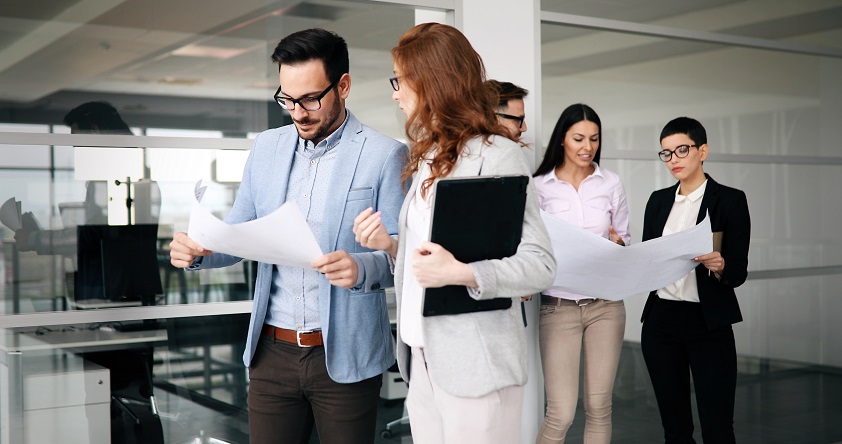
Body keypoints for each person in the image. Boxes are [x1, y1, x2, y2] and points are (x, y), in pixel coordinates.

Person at [168, 28, 407, 444]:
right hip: (271, 355)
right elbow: (240, 234)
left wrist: (360, 266)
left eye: (310, 99)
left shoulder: (383, 154)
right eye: (287, 99)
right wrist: (202, 249)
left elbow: (401, 256)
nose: (298, 112)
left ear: (343, 85)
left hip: (345, 355)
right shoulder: (267, 147)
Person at [353, 23, 556, 443]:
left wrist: (463, 273)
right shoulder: (427, 155)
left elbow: (540, 265)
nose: (395, 93)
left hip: (477, 366)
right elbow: (432, 257)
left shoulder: (498, 156)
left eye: (400, 80)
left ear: (432, 81)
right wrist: (390, 245)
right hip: (421, 359)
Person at [641, 117, 750, 443]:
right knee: (675, 429)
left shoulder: (730, 200)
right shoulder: (658, 200)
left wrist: (719, 265)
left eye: (681, 150)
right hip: (661, 323)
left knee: (718, 427)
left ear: (703, 151)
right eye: (666, 153)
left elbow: (738, 272)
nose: (673, 159)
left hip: (708, 323)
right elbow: (649, 258)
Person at [533, 103, 630, 444]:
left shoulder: (611, 183)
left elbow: (623, 239)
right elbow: (531, 247)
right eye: (578, 138)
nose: (587, 147)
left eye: (594, 139)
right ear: (562, 140)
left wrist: (618, 243)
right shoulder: (539, 187)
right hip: (559, 308)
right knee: (560, 413)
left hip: (606, 306)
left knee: (600, 406)